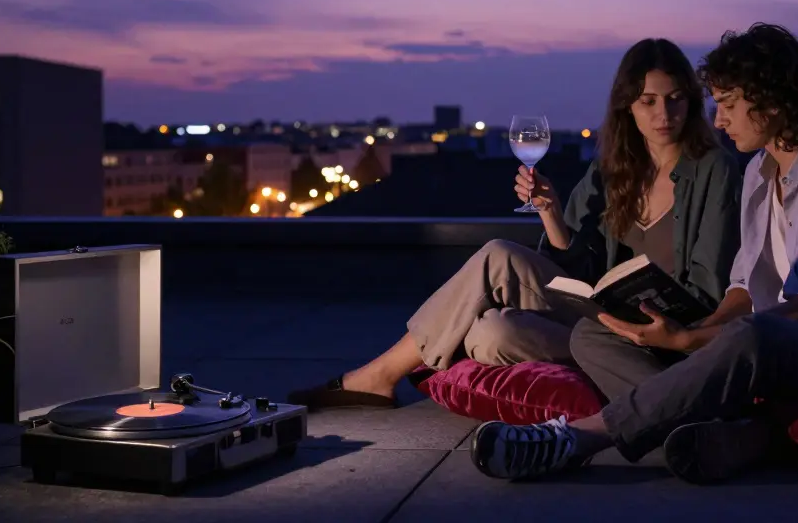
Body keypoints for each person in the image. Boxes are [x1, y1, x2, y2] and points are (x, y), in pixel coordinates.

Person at [468, 23, 798, 485]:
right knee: (595, 335)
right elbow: (746, 287)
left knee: (751, 336)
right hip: (767, 341)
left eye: (728, 105)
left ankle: (575, 439)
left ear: (772, 100)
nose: (720, 120)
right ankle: (715, 433)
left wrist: (694, 343)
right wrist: (687, 332)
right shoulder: (761, 172)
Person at [287, 38, 744, 410]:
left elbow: (707, 291)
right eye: (648, 101)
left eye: (675, 99)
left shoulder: (714, 170)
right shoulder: (614, 169)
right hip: (596, 315)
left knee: (493, 333)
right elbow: (574, 267)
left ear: (691, 101)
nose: (664, 115)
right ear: (628, 106)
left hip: (653, 337)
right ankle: (379, 377)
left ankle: (376, 377)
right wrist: (550, 211)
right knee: (498, 261)